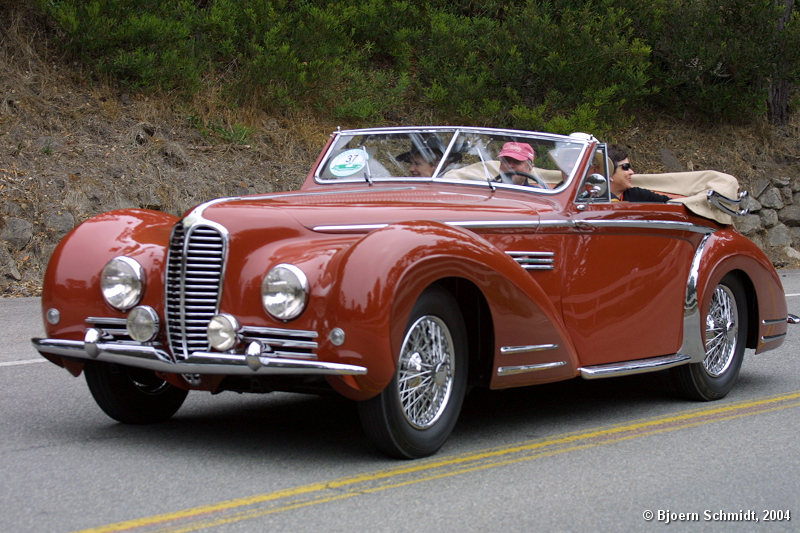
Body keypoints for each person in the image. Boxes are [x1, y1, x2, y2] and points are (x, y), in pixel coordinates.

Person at [397, 134, 462, 177]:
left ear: (437, 164)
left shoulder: (454, 179)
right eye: (411, 163)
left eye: (417, 164)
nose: (410, 169)